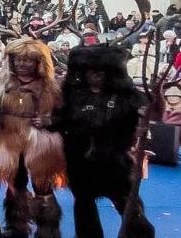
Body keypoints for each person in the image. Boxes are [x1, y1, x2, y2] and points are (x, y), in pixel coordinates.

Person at [57, 44, 153, 238]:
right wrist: (48, 122)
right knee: (83, 204)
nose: (96, 75)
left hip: (114, 162)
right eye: (91, 71)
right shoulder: (72, 93)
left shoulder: (127, 96)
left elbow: (151, 111)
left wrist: (146, 115)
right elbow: (60, 120)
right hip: (79, 162)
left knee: (129, 206)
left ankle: (140, 234)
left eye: (102, 71)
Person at [0, 38, 66, 238]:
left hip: (40, 142)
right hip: (9, 140)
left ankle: (48, 229)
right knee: (15, 182)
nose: (22, 64)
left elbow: (65, 115)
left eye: (28, 60)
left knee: (42, 185)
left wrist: (48, 121)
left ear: (39, 62)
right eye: (18, 60)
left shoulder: (51, 87)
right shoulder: (1, 84)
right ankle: (16, 225)